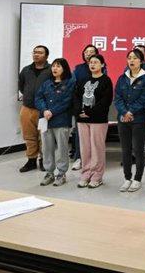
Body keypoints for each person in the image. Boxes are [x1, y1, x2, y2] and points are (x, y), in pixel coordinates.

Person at [114, 49, 145, 192]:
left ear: (141, 61)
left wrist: (131, 111)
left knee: (138, 149)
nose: (131, 60)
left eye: (135, 58)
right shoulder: (122, 77)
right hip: (123, 119)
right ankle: (127, 178)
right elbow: (117, 97)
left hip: (139, 119)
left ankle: (137, 179)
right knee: (125, 149)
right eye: (129, 57)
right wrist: (124, 112)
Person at [74, 54, 113, 189]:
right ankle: (85, 174)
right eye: (91, 62)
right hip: (82, 119)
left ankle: (97, 176)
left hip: (98, 119)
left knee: (97, 148)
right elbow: (76, 97)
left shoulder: (106, 81)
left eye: (96, 62)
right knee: (85, 148)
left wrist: (89, 112)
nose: (92, 64)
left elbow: (105, 101)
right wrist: (79, 111)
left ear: (102, 65)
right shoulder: (83, 80)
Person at [34, 58, 75, 186]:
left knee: (62, 148)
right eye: (53, 66)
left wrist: (52, 111)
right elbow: (39, 98)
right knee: (47, 148)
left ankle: (61, 174)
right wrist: (44, 110)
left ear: (64, 68)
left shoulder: (70, 83)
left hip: (61, 120)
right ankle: (49, 173)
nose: (54, 68)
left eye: (58, 66)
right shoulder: (46, 83)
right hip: (46, 120)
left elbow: (67, 101)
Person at [18, 45, 51, 173]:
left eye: (40, 53)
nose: (36, 54)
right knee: (29, 136)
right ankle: (31, 160)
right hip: (27, 107)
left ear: (46, 56)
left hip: (43, 109)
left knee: (43, 137)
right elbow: (21, 86)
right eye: (35, 52)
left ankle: (43, 160)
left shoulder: (51, 70)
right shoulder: (26, 70)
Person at [71, 44, 99, 171]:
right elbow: (73, 87)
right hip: (80, 106)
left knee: (94, 134)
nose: (88, 54)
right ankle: (79, 158)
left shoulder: (101, 68)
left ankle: (93, 159)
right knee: (80, 134)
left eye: (92, 52)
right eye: (86, 52)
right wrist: (78, 106)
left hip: (95, 106)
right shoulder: (78, 69)